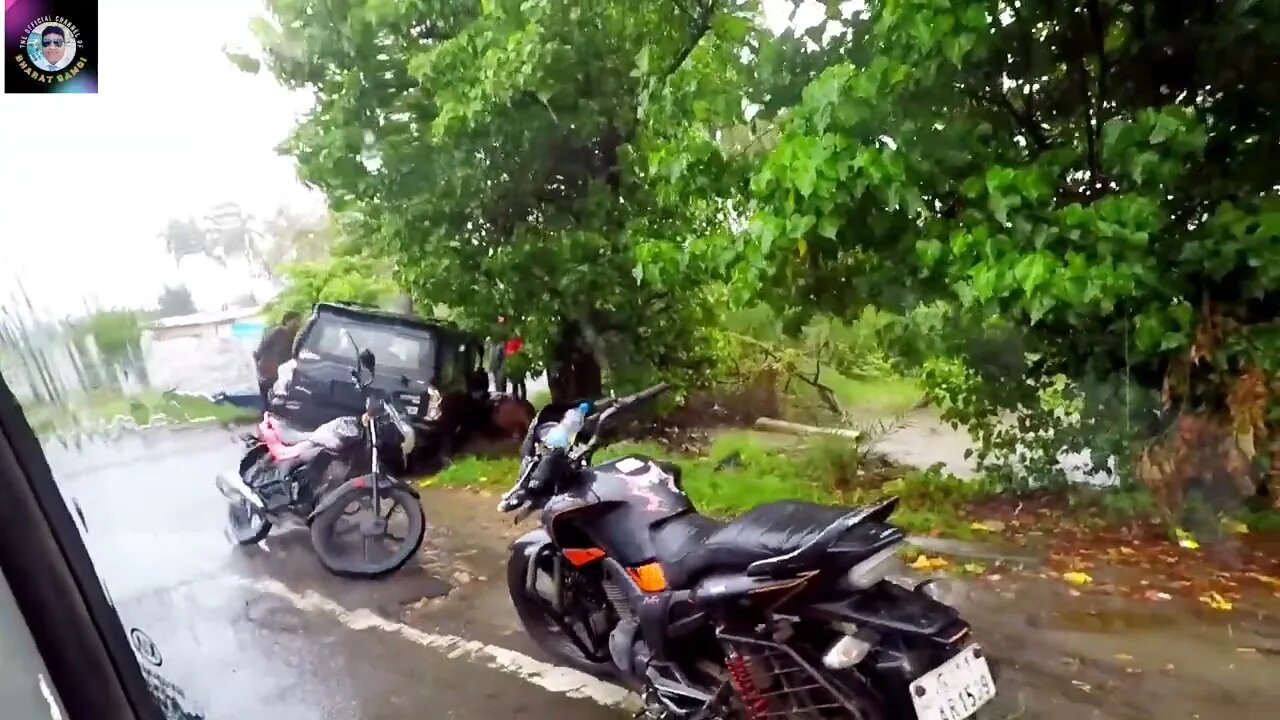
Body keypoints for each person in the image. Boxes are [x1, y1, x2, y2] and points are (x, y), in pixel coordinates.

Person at [253, 310, 302, 411]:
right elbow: (262, 347)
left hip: (281, 371)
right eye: (295, 321)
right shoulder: (277, 332)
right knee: (267, 395)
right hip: (268, 369)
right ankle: (266, 414)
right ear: (287, 321)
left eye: (299, 321)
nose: (297, 324)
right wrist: (258, 360)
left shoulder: (294, 335)